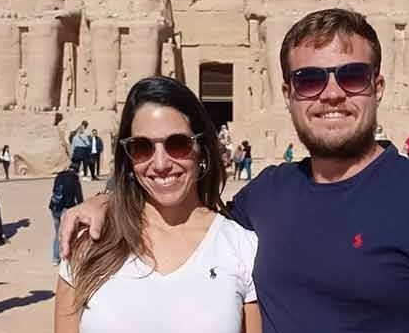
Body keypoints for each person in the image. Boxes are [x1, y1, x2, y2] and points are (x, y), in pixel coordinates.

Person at [60, 9, 409, 332]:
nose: (331, 94)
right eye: (310, 80)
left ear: (377, 87)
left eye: (351, 76)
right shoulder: (265, 199)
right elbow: (180, 208)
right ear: (288, 93)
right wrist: (108, 201)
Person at [54, 77, 260, 333]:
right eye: (142, 147)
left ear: (203, 149)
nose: (160, 163)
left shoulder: (241, 247)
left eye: (178, 144)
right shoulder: (90, 244)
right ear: (127, 159)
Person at [49, 164, 83, 266]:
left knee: (57, 232)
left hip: (54, 207)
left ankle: (55, 258)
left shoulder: (59, 176)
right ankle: (65, 257)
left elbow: (54, 190)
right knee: (65, 233)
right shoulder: (74, 179)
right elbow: (79, 196)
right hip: (66, 209)